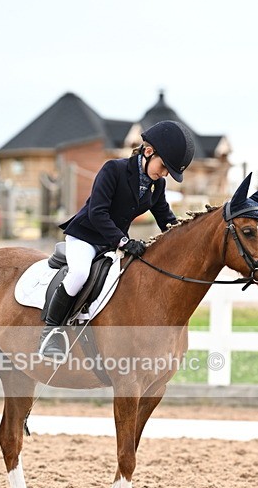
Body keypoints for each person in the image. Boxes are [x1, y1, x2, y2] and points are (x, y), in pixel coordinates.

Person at [38, 120, 195, 357]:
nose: (163, 174)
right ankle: (50, 333)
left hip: (112, 241)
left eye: (167, 172)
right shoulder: (113, 169)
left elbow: (165, 217)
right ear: (149, 151)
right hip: (86, 236)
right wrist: (123, 241)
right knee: (79, 273)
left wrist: (183, 240)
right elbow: (97, 212)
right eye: (163, 167)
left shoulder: (157, 185)